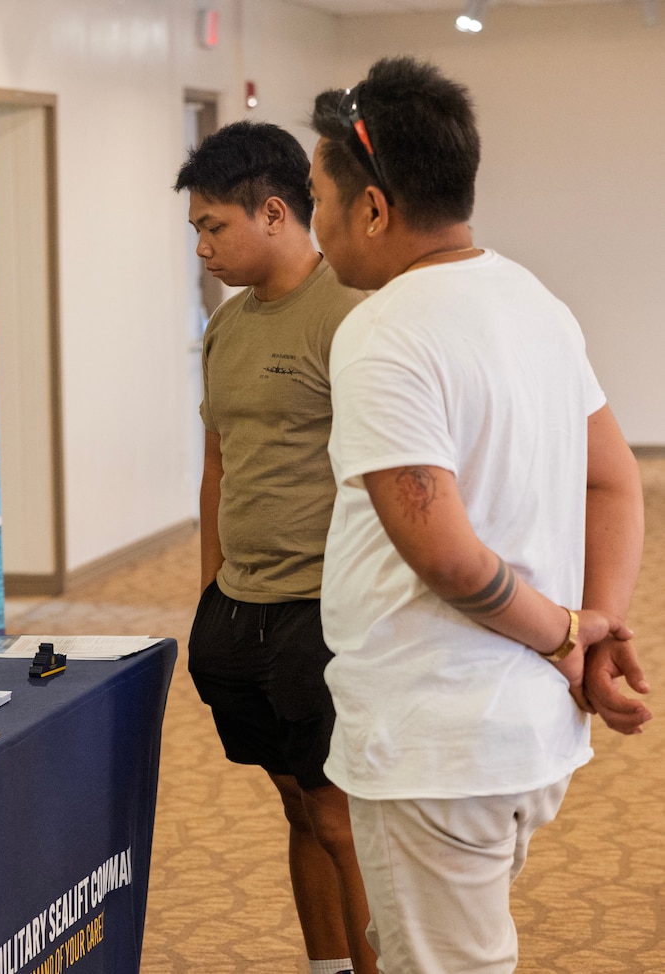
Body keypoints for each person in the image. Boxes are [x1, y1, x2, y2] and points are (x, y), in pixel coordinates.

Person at [308, 56, 651, 973]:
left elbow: (447, 554)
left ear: (373, 206)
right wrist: (596, 629)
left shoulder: (384, 331)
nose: (315, 226)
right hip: (527, 733)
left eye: (317, 197)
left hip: (440, 741)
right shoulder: (532, 300)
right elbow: (618, 481)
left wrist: (570, 632)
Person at [175, 121, 375, 974]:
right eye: (195, 231)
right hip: (241, 612)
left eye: (214, 226)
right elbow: (218, 465)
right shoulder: (225, 329)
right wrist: (214, 588)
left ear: (273, 211)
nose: (203, 247)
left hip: (324, 611)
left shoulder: (351, 317)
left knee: (338, 816)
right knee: (297, 807)